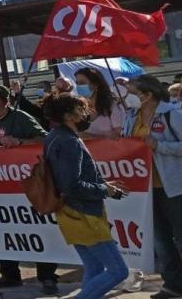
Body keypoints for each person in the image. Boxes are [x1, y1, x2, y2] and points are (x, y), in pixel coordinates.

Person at [0, 83, 56, 293]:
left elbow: (45, 139)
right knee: (2, 229)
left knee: (37, 228)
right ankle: (9, 275)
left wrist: (19, 141)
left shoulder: (21, 117)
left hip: (28, 185)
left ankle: (47, 276)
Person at [43, 93, 129, 299]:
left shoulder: (55, 137)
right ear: (68, 115)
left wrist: (103, 185)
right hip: (84, 213)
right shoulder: (69, 141)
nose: (85, 113)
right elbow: (72, 185)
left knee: (94, 267)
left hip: (70, 211)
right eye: (80, 109)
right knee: (119, 271)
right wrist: (104, 189)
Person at [124, 75, 182, 299]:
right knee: (160, 239)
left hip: (174, 186)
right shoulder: (131, 116)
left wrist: (160, 146)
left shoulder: (172, 114)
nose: (127, 95)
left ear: (147, 95)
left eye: (131, 91)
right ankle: (173, 284)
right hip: (145, 189)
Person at [74, 67, 124, 140]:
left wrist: (92, 137)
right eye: (77, 83)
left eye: (82, 83)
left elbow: (119, 136)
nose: (78, 86)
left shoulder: (112, 106)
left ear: (95, 84)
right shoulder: (78, 107)